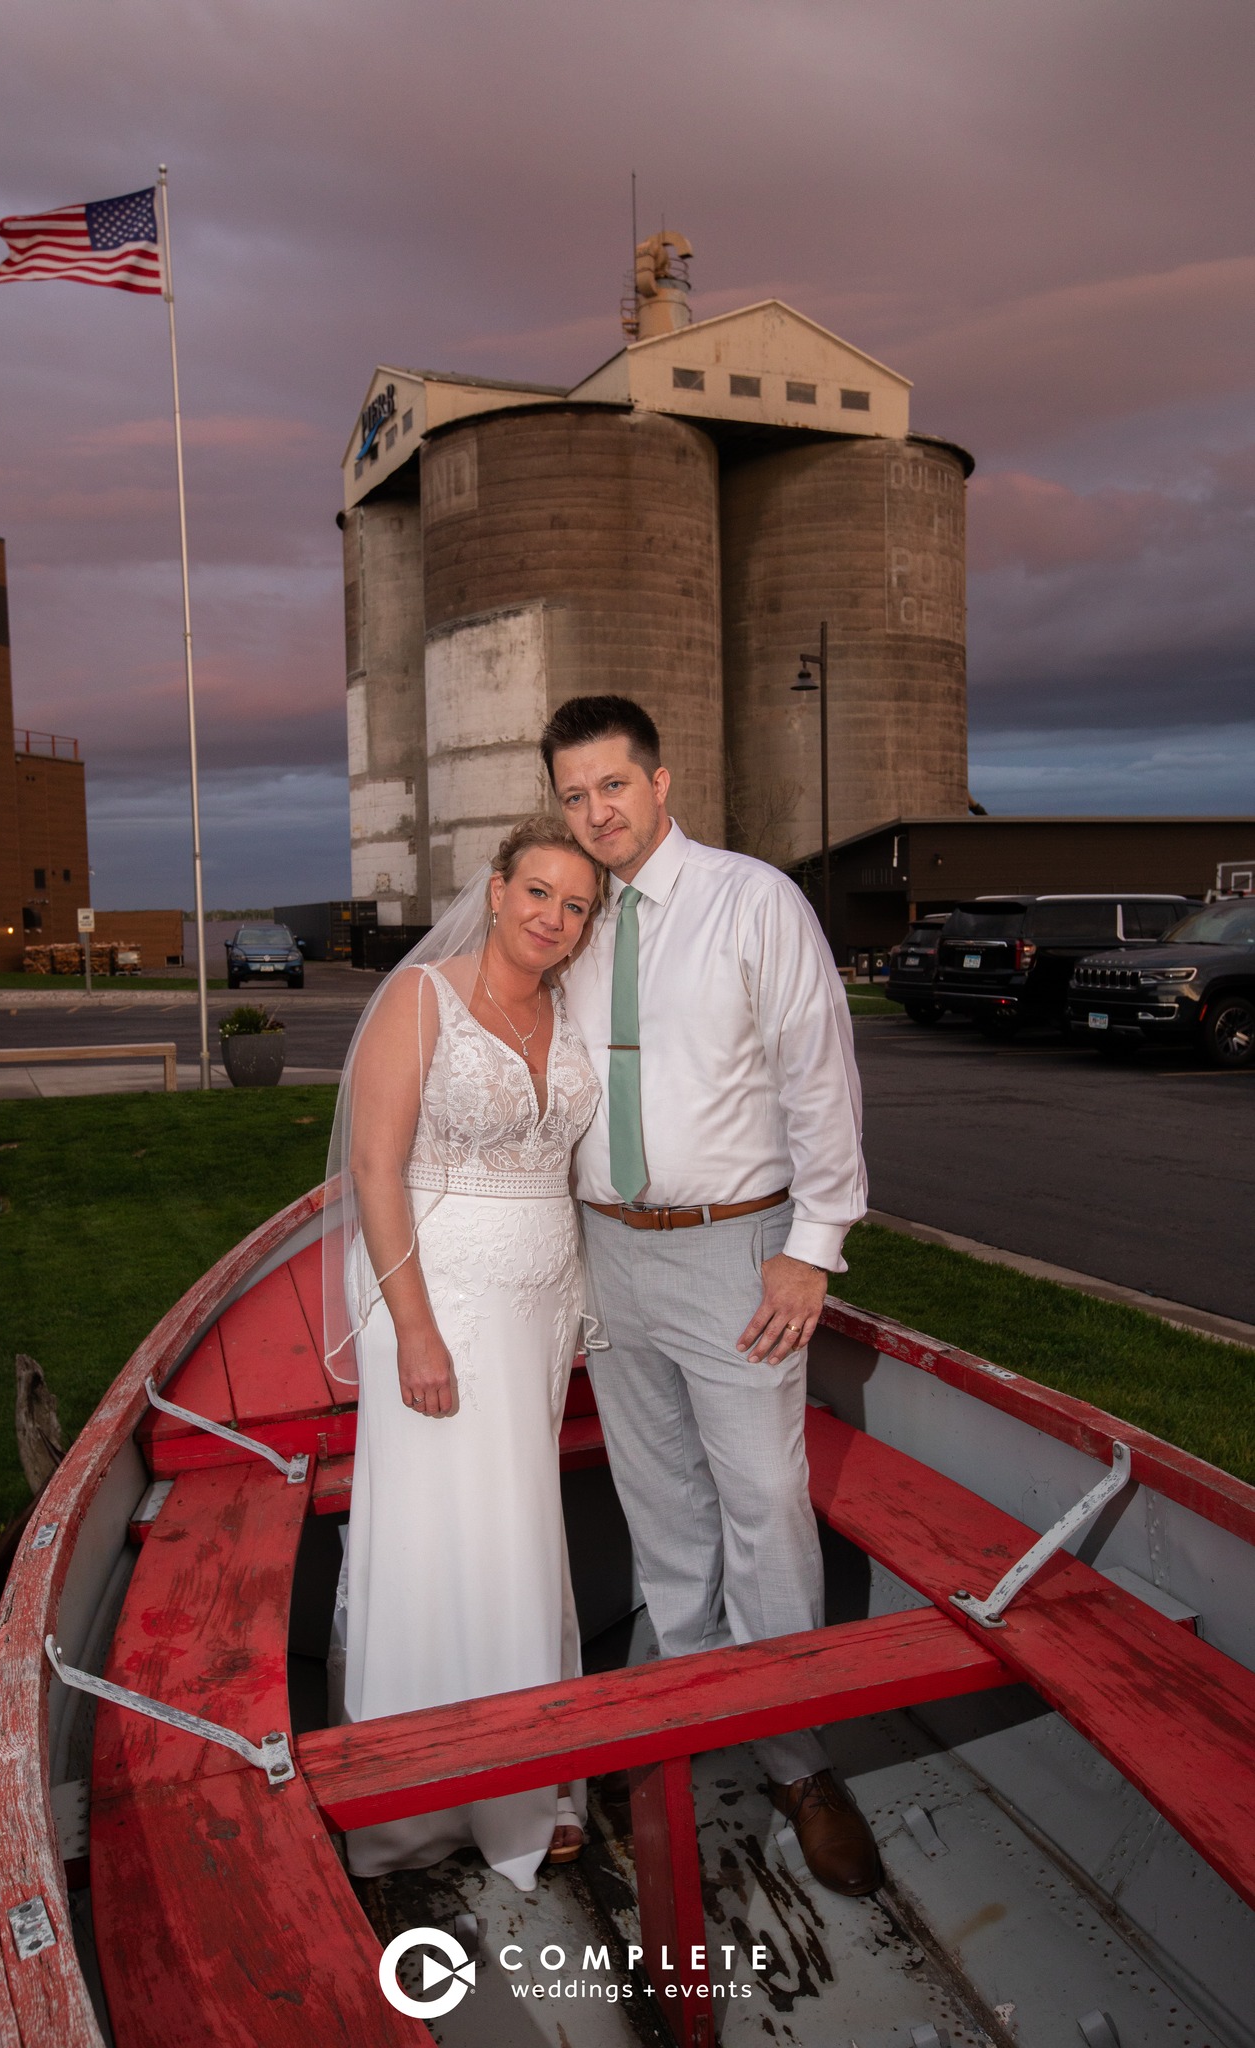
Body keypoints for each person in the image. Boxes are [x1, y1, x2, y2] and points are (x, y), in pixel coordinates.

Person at [546, 694, 883, 1898]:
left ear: (660, 780)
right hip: (609, 1252)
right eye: (574, 795)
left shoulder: (755, 900)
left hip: (737, 1250)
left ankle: (799, 1760)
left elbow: (819, 1075)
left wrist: (814, 1246)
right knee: (662, 1506)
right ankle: (681, 1718)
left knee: (764, 1504)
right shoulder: (574, 920)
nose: (596, 812)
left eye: (613, 785)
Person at [323, 815, 603, 1889]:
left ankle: (527, 1772)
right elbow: (374, 1167)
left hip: (539, 1309)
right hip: (438, 1304)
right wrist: (416, 1330)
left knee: (519, 1531)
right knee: (440, 1535)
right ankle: (419, 1797)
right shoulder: (421, 996)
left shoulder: (568, 1008)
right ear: (495, 889)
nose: (553, 918)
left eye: (575, 905)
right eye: (538, 892)